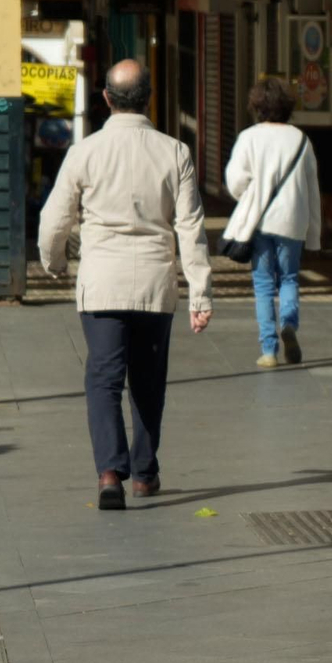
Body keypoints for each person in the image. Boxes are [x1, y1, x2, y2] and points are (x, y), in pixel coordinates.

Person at [37, 59, 214, 510]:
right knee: (148, 381)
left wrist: (54, 262)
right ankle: (145, 473)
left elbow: (54, 219)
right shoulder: (175, 152)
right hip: (154, 283)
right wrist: (200, 292)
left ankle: (110, 473)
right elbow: (190, 226)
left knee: (103, 376)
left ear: (107, 99)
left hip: (101, 283)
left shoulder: (85, 152)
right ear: (149, 98)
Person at [223, 78, 322, 368]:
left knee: (264, 284)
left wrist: (250, 196)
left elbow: (235, 181)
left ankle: (269, 349)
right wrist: (314, 232)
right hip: (293, 220)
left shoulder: (250, 137)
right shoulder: (301, 139)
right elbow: (312, 188)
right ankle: (289, 322)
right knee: (289, 277)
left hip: (260, 222)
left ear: (257, 105)